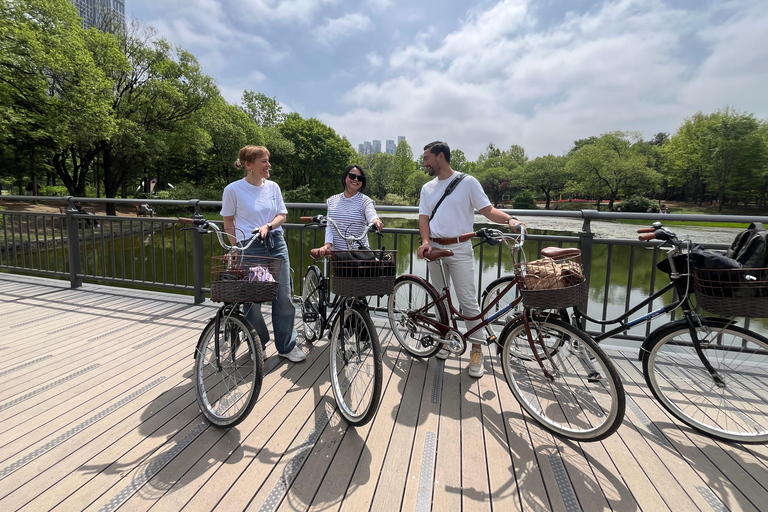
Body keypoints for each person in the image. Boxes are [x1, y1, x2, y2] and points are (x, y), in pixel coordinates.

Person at [417, 141, 525, 378]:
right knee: (439, 299)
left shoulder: (468, 182)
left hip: (459, 248)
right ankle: (445, 339)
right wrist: (425, 242)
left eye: (427, 157)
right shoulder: (427, 188)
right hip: (434, 248)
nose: (424, 162)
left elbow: (488, 210)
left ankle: (477, 349)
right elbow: (423, 218)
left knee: (468, 300)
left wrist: (510, 220)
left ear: (441, 157)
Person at [221, 145, 305, 362]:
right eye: (264, 161)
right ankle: (258, 342)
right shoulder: (233, 190)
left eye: (268, 160)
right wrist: (236, 247)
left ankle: (287, 345)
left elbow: (282, 214)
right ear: (249, 165)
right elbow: (228, 221)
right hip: (250, 245)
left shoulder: (273, 187)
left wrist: (268, 225)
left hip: (276, 242)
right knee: (252, 299)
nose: (269, 165)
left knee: (284, 296)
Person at [312, 164, 384, 258]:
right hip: (338, 254)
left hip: (359, 253)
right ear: (345, 177)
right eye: (352, 176)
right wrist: (328, 244)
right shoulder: (332, 200)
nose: (356, 179)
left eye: (360, 178)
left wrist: (376, 221)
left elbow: (371, 213)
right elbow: (329, 225)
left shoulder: (365, 201)